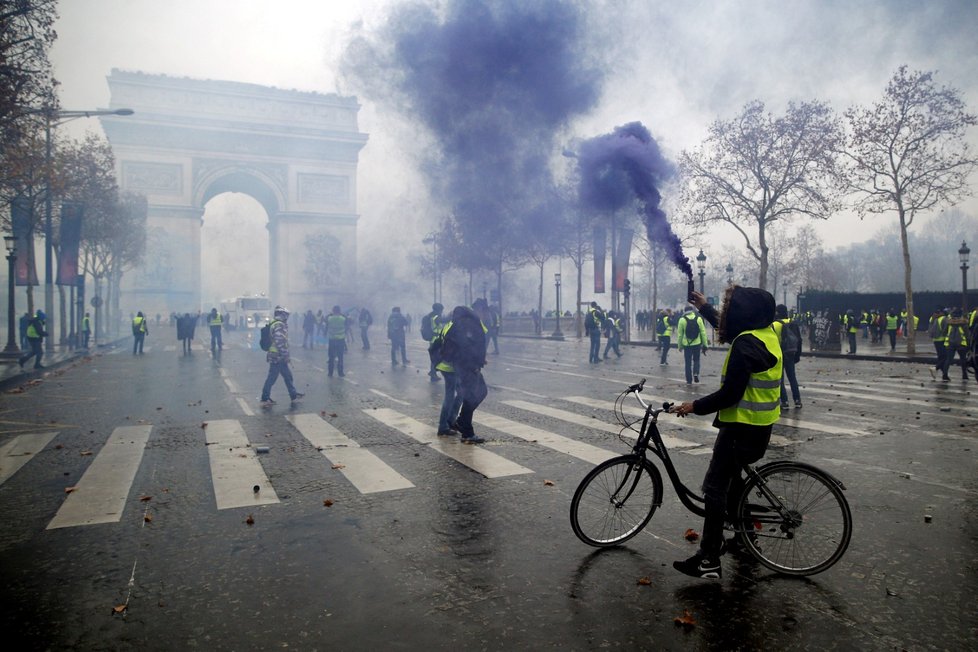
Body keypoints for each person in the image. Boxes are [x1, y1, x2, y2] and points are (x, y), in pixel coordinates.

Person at [671, 286, 782, 580]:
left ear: (745, 315)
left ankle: (708, 558)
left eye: (733, 309)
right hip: (757, 429)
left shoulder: (745, 346)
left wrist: (693, 406)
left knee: (715, 488)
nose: (729, 314)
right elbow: (731, 328)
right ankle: (745, 538)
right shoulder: (764, 333)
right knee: (734, 485)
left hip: (740, 430)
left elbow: (729, 395)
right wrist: (705, 307)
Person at [438, 305, 488, 444]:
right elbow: (467, 347)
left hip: (461, 365)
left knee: (471, 395)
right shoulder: (467, 324)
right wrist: (474, 365)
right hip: (467, 365)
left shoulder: (457, 324)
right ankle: (464, 427)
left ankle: (463, 424)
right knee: (477, 393)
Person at [260, 306, 303, 407]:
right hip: (278, 356)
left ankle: (293, 395)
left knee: (288, 376)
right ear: (282, 315)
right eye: (286, 315)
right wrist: (285, 355)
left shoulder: (275, 323)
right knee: (272, 378)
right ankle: (265, 398)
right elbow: (280, 342)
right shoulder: (279, 325)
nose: (287, 317)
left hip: (276, 355)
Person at [431, 316, 463, 437]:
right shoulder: (456, 328)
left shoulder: (449, 325)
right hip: (450, 367)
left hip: (445, 364)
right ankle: (443, 426)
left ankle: (450, 421)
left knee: (460, 393)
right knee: (450, 397)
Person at [773, 304, 802, 409]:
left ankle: (784, 401)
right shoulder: (793, 323)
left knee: (780, 379)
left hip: (779, 354)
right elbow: (799, 340)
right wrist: (797, 355)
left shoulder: (775, 325)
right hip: (791, 353)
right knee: (792, 378)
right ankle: (797, 400)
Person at [677, 306, 707, 384]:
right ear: (692, 311)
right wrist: (705, 344)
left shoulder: (682, 320)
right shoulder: (698, 319)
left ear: (685, 311)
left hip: (687, 344)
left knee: (688, 362)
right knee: (696, 360)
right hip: (697, 343)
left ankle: (689, 380)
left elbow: (680, 334)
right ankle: (696, 373)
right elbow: (703, 332)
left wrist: (679, 346)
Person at [941, 308, 970, 382]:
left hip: (950, 344)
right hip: (961, 344)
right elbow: (967, 335)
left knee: (948, 359)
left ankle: (945, 374)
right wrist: (969, 345)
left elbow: (944, 332)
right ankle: (964, 375)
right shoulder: (964, 323)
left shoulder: (949, 323)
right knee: (963, 360)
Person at [422, 303, 444, 381]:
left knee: (435, 357)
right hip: (436, 339)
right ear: (438, 310)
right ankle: (433, 374)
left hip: (433, 339)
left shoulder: (430, 316)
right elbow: (444, 321)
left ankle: (433, 372)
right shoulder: (436, 317)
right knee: (436, 357)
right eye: (441, 310)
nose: (442, 311)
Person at [326, 305, 347, 377]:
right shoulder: (343, 319)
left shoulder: (330, 318)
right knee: (340, 357)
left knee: (331, 357)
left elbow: (326, 319)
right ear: (339, 311)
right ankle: (340, 373)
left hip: (332, 339)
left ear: (333, 311)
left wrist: (331, 314)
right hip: (340, 340)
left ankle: (330, 372)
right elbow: (348, 322)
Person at [927, 307, 947, 380]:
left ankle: (945, 374)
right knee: (945, 357)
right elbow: (945, 330)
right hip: (942, 340)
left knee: (941, 357)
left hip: (935, 340)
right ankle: (935, 368)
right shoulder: (943, 319)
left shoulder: (933, 319)